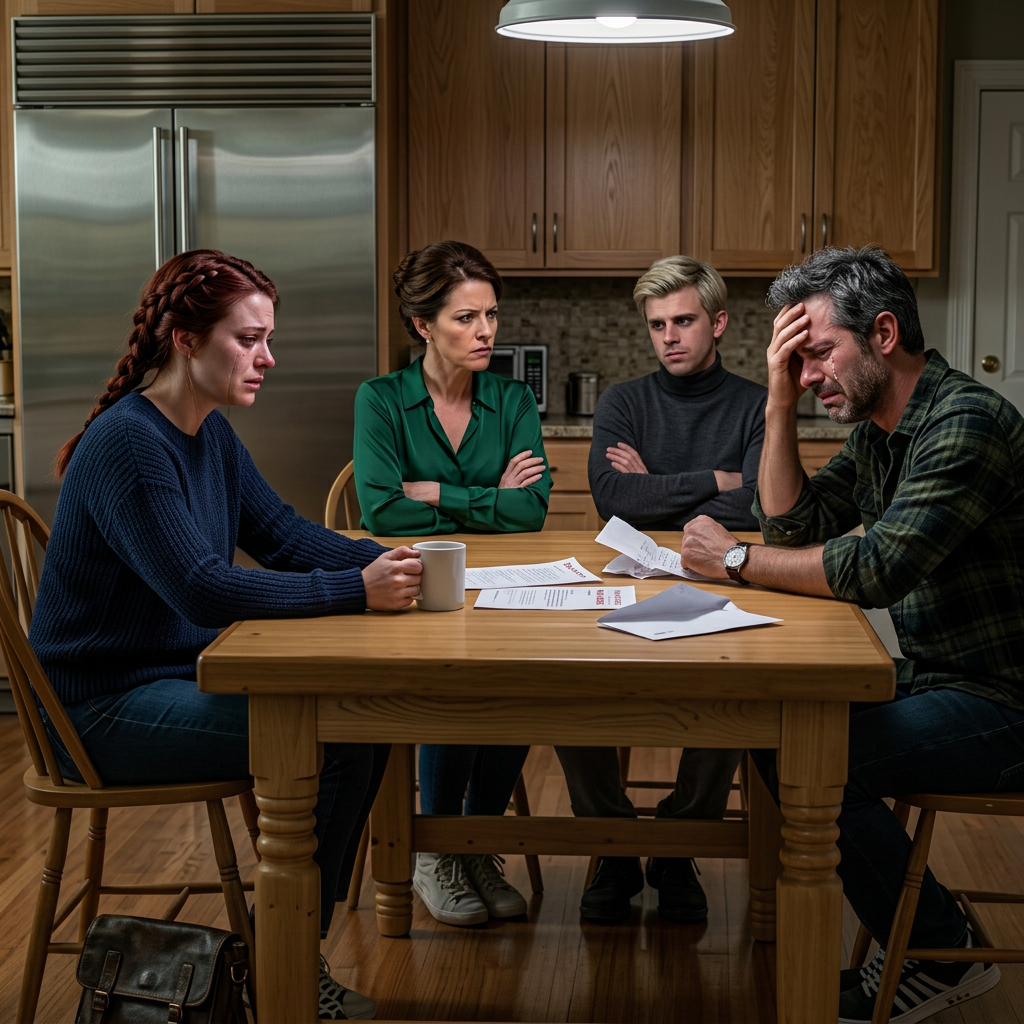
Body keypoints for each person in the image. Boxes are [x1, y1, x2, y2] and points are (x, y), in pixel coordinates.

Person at [30, 250, 426, 1022]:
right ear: (185, 339)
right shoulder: (130, 444)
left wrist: (387, 559)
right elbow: (202, 587)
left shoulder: (205, 432)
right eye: (248, 339)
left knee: (358, 721)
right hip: (98, 706)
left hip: (172, 675)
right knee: (338, 735)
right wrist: (356, 589)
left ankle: (282, 942)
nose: (267, 357)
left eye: (267, 338)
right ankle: (285, 958)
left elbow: (280, 535)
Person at [680, 246, 1024, 1024]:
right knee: (781, 736)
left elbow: (873, 569)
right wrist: (775, 400)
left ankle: (938, 955)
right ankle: (929, 939)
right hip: (941, 674)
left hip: (1005, 700)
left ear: (884, 333)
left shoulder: (964, 423)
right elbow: (793, 521)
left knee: (815, 758)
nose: (809, 376)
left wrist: (734, 560)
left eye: (818, 354)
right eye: (796, 362)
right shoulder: (881, 429)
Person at [554, 257, 766, 925]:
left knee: (738, 685)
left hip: (720, 578)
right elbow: (614, 499)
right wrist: (717, 478)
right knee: (568, 682)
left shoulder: (756, 404)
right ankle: (612, 843)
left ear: (718, 322)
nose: (669, 336)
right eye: (656, 325)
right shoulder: (623, 401)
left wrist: (662, 485)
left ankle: (680, 842)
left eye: (683, 321)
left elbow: (762, 507)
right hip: (629, 580)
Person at [353, 240, 551, 928]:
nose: (487, 331)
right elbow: (380, 510)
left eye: (491, 315)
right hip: (412, 591)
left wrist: (436, 489)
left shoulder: (513, 396)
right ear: (422, 326)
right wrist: (485, 495)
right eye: (466, 318)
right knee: (448, 681)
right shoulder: (380, 400)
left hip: (504, 587)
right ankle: (434, 851)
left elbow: (532, 510)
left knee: (522, 679)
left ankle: (477, 845)